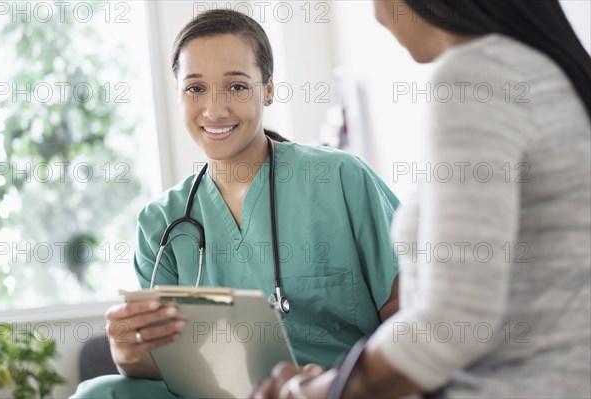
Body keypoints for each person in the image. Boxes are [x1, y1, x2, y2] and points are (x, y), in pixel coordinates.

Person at [252, 0, 591, 398]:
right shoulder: (539, 72)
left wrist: (308, 392)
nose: (378, 17)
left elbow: (451, 324)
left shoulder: (475, 76)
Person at [72, 8, 401, 398]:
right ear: (178, 95)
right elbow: (161, 360)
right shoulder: (162, 221)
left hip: (328, 391)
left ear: (269, 89)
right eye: (195, 89)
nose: (215, 110)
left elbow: (406, 308)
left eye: (237, 87)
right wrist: (127, 353)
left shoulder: (340, 178)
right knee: (100, 392)